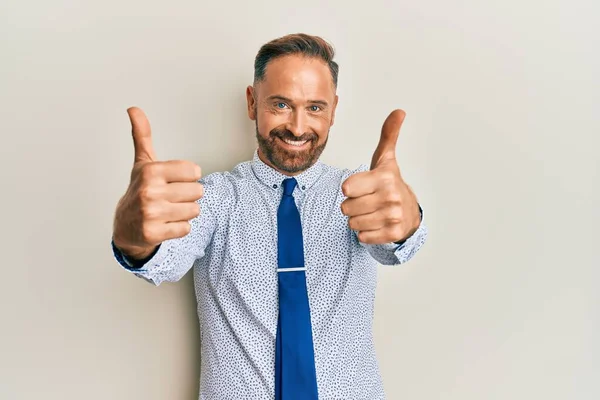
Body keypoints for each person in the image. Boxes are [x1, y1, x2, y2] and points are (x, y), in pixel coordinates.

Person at [111, 33, 428, 400]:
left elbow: (395, 245)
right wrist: (132, 236)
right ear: (252, 102)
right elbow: (159, 262)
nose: (297, 127)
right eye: (280, 104)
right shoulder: (213, 198)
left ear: (334, 110)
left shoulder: (361, 193)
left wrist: (407, 224)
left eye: (314, 108)